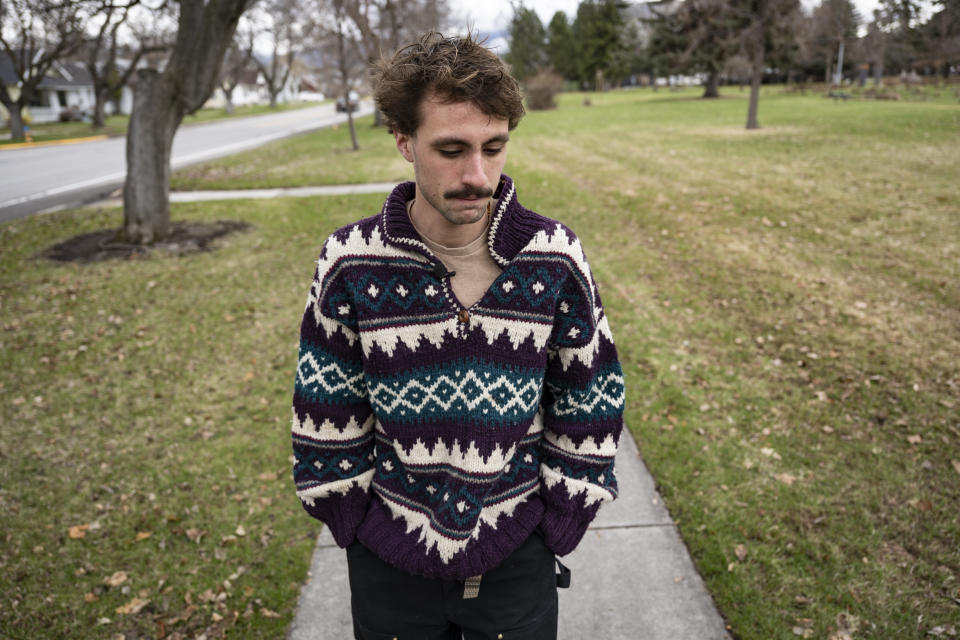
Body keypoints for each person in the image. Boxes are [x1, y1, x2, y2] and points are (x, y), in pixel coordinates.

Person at [291, 31, 625, 640]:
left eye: (493, 148)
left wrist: (561, 517)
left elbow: (590, 393)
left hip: (516, 556)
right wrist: (349, 517)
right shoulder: (350, 261)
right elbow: (326, 403)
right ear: (403, 141)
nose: (478, 175)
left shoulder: (553, 256)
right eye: (451, 149)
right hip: (388, 561)